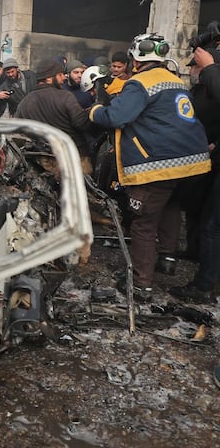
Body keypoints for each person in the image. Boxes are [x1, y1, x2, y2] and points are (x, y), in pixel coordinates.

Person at [89, 33, 211, 301]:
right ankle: (167, 259)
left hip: (158, 163)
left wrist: (95, 109)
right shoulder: (175, 81)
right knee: (170, 206)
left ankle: (141, 285)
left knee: (143, 222)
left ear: (134, 60)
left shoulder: (140, 82)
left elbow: (116, 116)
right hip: (192, 163)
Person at [169, 46, 220, 303]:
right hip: (206, 157)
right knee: (198, 209)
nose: (192, 71)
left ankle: (204, 286)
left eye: (196, 66)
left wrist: (211, 67)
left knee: (213, 225)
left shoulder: (213, 83)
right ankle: (196, 252)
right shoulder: (198, 90)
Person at [14, 58, 94, 169]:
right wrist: (94, 112)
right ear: (49, 78)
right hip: (73, 158)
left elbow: (17, 133)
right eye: (60, 75)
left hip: (42, 163)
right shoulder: (65, 96)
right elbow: (81, 123)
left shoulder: (25, 102)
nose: (63, 78)